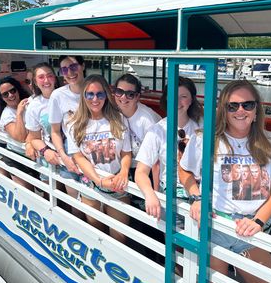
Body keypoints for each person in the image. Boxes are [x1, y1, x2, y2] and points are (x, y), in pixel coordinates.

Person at [179, 79, 271, 283]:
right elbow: (184, 170)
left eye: (247, 105)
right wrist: (196, 197)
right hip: (217, 226)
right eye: (232, 106)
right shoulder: (205, 138)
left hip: (251, 230)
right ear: (223, 110)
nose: (240, 111)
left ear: (256, 109)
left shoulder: (266, 141)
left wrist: (257, 222)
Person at [66, 74, 131, 243]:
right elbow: (79, 157)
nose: (95, 99)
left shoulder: (118, 118)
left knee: (119, 237)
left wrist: (123, 172)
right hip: (91, 186)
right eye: (90, 94)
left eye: (100, 94)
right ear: (84, 96)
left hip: (117, 184)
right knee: (96, 233)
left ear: (106, 96)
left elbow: (126, 152)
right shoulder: (74, 124)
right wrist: (98, 180)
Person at [135, 76, 203, 220]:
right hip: (171, 196)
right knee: (174, 240)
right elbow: (141, 172)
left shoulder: (202, 128)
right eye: (173, 96)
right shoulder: (157, 130)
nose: (178, 102)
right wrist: (150, 194)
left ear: (191, 100)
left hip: (200, 196)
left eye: (183, 96)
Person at [113, 73, 161, 207]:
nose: (123, 97)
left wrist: (156, 192)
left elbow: (157, 161)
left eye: (130, 94)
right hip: (125, 167)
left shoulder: (148, 120)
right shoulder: (114, 113)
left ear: (137, 97)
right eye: (119, 92)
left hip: (148, 171)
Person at [48, 55, 85, 198]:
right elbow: (55, 131)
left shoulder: (95, 91)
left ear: (82, 66)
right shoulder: (58, 95)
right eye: (64, 69)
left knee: (94, 206)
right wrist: (63, 156)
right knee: (75, 203)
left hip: (94, 154)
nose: (70, 72)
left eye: (73, 67)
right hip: (70, 155)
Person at [24, 63, 60, 184]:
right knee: (52, 196)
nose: (46, 80)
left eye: (50, 76)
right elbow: (34, 138)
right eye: (41, 77)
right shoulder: (34, 105)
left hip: (74, 157)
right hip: (51, 158)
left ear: (55, 77)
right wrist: (46, 151)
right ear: (35, 81)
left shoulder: (67, 96)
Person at [0, 76, 33, 189]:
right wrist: (19, 113)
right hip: (17, 157)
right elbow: (20, 137)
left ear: (18, 89)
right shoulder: (7, 114)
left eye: (12, 91)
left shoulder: (29, 102)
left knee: (48, 194)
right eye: (5, 94)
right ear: (1, 98)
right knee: (27, 193)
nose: (10, 95)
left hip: (34, 155)